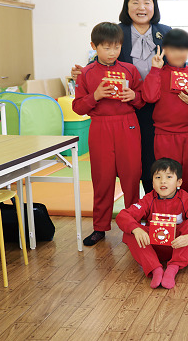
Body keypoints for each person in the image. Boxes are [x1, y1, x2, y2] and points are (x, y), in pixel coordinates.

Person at [72, 0, 171, 193]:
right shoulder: (118, 31)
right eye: (135, 3)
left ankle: (154, 203)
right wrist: (82, 73)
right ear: (127, 6)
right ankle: (135, 205)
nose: (141, 8)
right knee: (129, 165)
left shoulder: (166, 32)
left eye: (147, 3)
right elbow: (102, 61)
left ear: (154, 6)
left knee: (154, 159)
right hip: (126, 107)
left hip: (158, 105)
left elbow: (176, 65)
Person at [72, 22, 144, 246]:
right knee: (102, 179)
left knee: (131, 178)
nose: (112, 52)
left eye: (117, 47)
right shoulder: (86, 73)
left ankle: (133, 226)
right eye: (106, 48)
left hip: (128, 124)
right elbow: (78, 107)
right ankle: (100, 228)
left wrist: (133, 96)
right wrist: (95, 96)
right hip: (100, 126)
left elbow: (142, 100)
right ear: (94, 46)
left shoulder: (130, 70)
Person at [116, 158, 188, 289]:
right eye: (158, 177)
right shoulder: (148, 199)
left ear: (179, 182)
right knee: (129, 232)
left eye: (169, 177)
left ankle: (173, 268)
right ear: (153, 183)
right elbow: (123, 215)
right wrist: (136, 229)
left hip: (177, 246)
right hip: (153, 248)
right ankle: (155, 269)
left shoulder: (186, 199)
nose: (163, 181)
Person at [143, 29, 188, 197]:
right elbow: (149, 97)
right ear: (165, 50)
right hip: (164, 135)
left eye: (183, 49)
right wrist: (155, 70)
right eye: (173, 49)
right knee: (166, 178)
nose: (179, 54)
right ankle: (167, 211)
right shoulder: (158, 73)